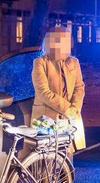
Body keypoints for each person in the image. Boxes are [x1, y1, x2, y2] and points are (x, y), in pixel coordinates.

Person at [31, 26, 86, 154]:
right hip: (46, 118)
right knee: (46, 159)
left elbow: (79, 87)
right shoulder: (40, 62)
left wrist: (75, 109)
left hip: (69, 118)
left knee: (67, 157)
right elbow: (42, 91)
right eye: (61, 40)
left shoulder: (73, 62)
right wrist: (67, 109)